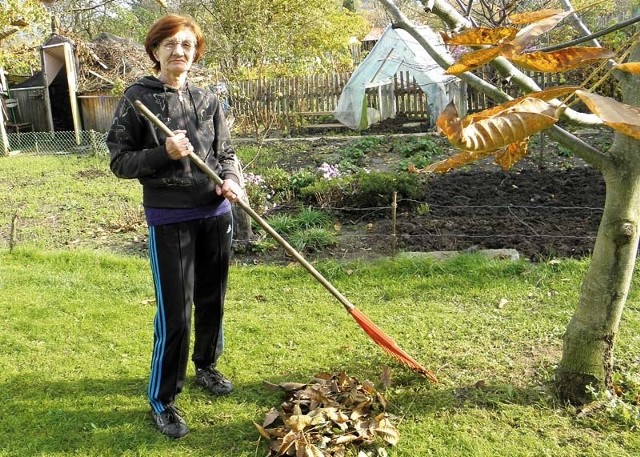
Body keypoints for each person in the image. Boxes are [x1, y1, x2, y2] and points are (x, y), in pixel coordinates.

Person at [106, 14, 244, 439]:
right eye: (170, 44)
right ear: (155, 51)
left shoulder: (208, 100)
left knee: (212, 299)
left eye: (186, 44)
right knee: (175, 313)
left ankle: (206, 365)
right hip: (170, 219)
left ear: (195, 52)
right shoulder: (137, 98)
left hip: (215, 215)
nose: (178, 51)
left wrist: (233, 180)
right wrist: (163, 152)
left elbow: (228, 152)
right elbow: (119, 161)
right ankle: (162, 399)